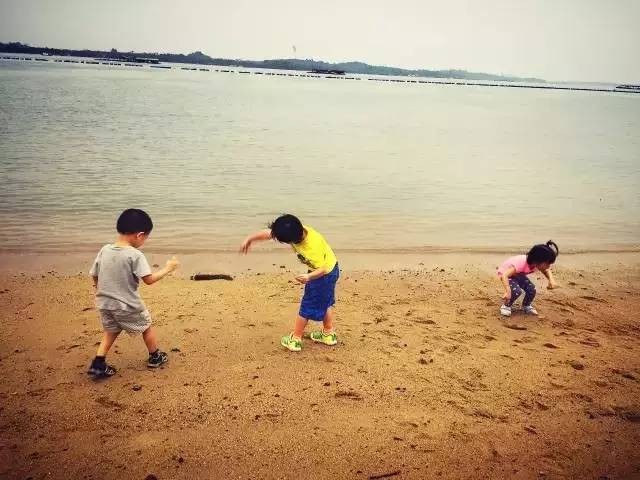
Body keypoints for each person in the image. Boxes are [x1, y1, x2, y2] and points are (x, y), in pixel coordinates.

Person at [87, 208, 179, 377]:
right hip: (128, 305)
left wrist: (99, 289)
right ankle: (155, 356)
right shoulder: (135, 255)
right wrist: (168, 268)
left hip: (105, 303)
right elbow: (149, 279)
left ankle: (98, 363)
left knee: (111, 331)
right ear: (140, 235)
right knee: (146, 326)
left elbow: (94, 274)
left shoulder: (105, 249)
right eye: (145, 238)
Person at [240, 214, 339, 352]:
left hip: (322, 275)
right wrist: (250, 239)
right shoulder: (296, 229)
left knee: (306, 307)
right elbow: (269, 234)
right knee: (325, 302)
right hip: (332, 268)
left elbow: (323, 269)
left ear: (291, 240)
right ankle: (328, 334)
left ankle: (295, 339)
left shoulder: (312, 246)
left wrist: (309, 276)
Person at [497, 240, 559, 317]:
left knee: (531, 289)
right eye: (547, 263)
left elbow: (546, 271)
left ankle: (526, 305)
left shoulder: (536, 265)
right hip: (506, 274)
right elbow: (505, 275)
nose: (548, 266)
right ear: (537, 260)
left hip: (518, 274)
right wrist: (508, 291)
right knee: (516, 291)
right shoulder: (521, 262)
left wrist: (551, 281)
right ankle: (506, 305)